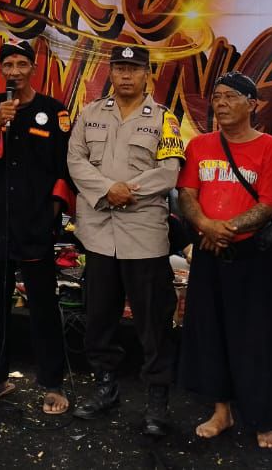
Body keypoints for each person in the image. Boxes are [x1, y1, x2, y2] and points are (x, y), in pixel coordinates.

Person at [68, 44, 185, 437]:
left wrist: (124, 191)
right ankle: (106, 387)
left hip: (143, 236)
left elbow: (169, 171)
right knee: (99, 317)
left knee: (153, 323)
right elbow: (75, 160)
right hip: (99, 235)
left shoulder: (165, 119)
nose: (125, 75)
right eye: (119, 68)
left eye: (133, 69)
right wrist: (107, 190)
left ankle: (157, 399)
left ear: (146, 74)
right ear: (111, 72)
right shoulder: (90, 114)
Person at [176, 71, 272, 449]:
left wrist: (227, 229)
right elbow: (187, 194)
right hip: (209, 251)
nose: (221, 104)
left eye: (230, 97)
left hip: (253, 256)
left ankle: (263, 418)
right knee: (211, 334)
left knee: (257, 337)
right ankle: (221, 411)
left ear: (252, 104)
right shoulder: (200, 145)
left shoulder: (271, 148)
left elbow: (270, 203)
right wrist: (207, 227)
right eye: (217, 97)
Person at [0, 39, 72, 414]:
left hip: (36, 226)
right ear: (1, 70)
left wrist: (50, 217)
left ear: (33, 68)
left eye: (21, 64)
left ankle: (52, 383)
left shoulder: (54, 112)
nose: (15, 71)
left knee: (43, 306)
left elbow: (64, 170)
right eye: (8, 65)